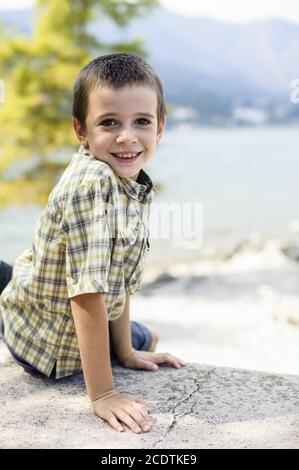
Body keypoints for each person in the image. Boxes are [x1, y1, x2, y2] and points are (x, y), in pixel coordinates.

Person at [0, 53, 187, 434]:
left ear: (160, 127)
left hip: (54, 309)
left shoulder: (127, 180)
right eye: (109, 122)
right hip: (45, 346)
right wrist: (104, 393)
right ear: (81, 130)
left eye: (142, 122)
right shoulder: (92, 187)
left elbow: (117, 275)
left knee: (144, 338)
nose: (127, 136)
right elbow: (88, 293)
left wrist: (126, 352)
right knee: (9, 291)